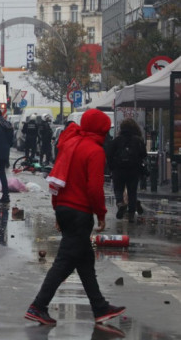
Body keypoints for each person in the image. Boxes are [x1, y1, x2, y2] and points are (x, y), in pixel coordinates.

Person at [25, 109, 125, 326]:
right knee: (63, 263)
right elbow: (94, 188)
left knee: (85, 262)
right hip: (80, 211)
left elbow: (56, 181)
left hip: (65, 208)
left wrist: (57, 210)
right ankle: (38, 306)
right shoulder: (95, 151)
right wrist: (101, 214)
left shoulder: (70, 144)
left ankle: (100, 307)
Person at [105, 118, 146, 223]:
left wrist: (112, 167)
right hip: (133, 170)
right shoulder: (138, 140)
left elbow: (109, 154)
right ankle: (131, 214)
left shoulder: (116, 140)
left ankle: (120, 204)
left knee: (118, 189)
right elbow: (144, 154)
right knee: (132, 191)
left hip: (118, 170)